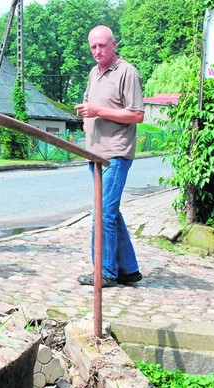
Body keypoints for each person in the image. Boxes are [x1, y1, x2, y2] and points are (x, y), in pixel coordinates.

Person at [74, 25, 144, 288]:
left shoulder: (127, 72)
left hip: (115, 153)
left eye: (102, 45)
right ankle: (128, 269)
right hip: (94, 153)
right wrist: (86, 115)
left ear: (114, 44)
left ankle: (104, 272)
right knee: (110, 212)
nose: (97, 51)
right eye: (93, 46)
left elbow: (136, 114)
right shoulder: (94, 72)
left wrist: (98, 111)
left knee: (102, 213)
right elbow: (91, 106)